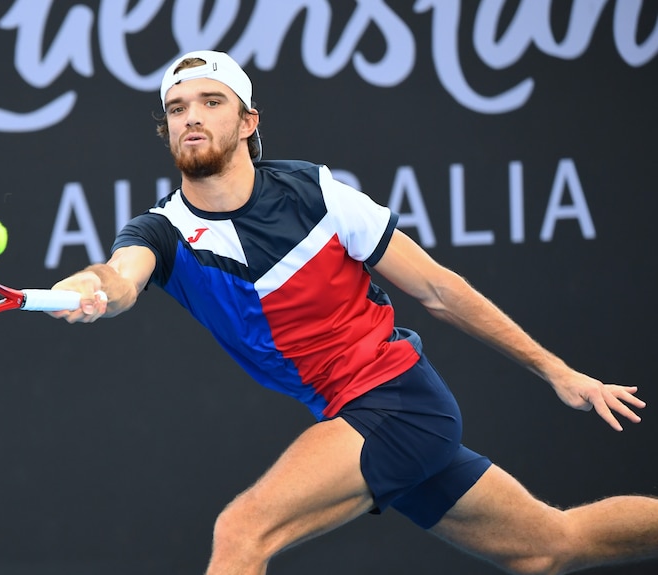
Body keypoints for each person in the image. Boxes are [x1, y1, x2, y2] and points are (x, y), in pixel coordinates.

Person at [49, 50, 658, 574]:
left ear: (247, 120)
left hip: (396, 400)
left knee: (242, 531)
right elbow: (117, 277)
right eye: (178, 108)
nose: (192, 117)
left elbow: (441, 290)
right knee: (548, 548)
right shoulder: (161, 232)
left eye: (211, 101)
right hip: (358, 411)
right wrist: (91, 289)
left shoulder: (317, 195)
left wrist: (557, 371)